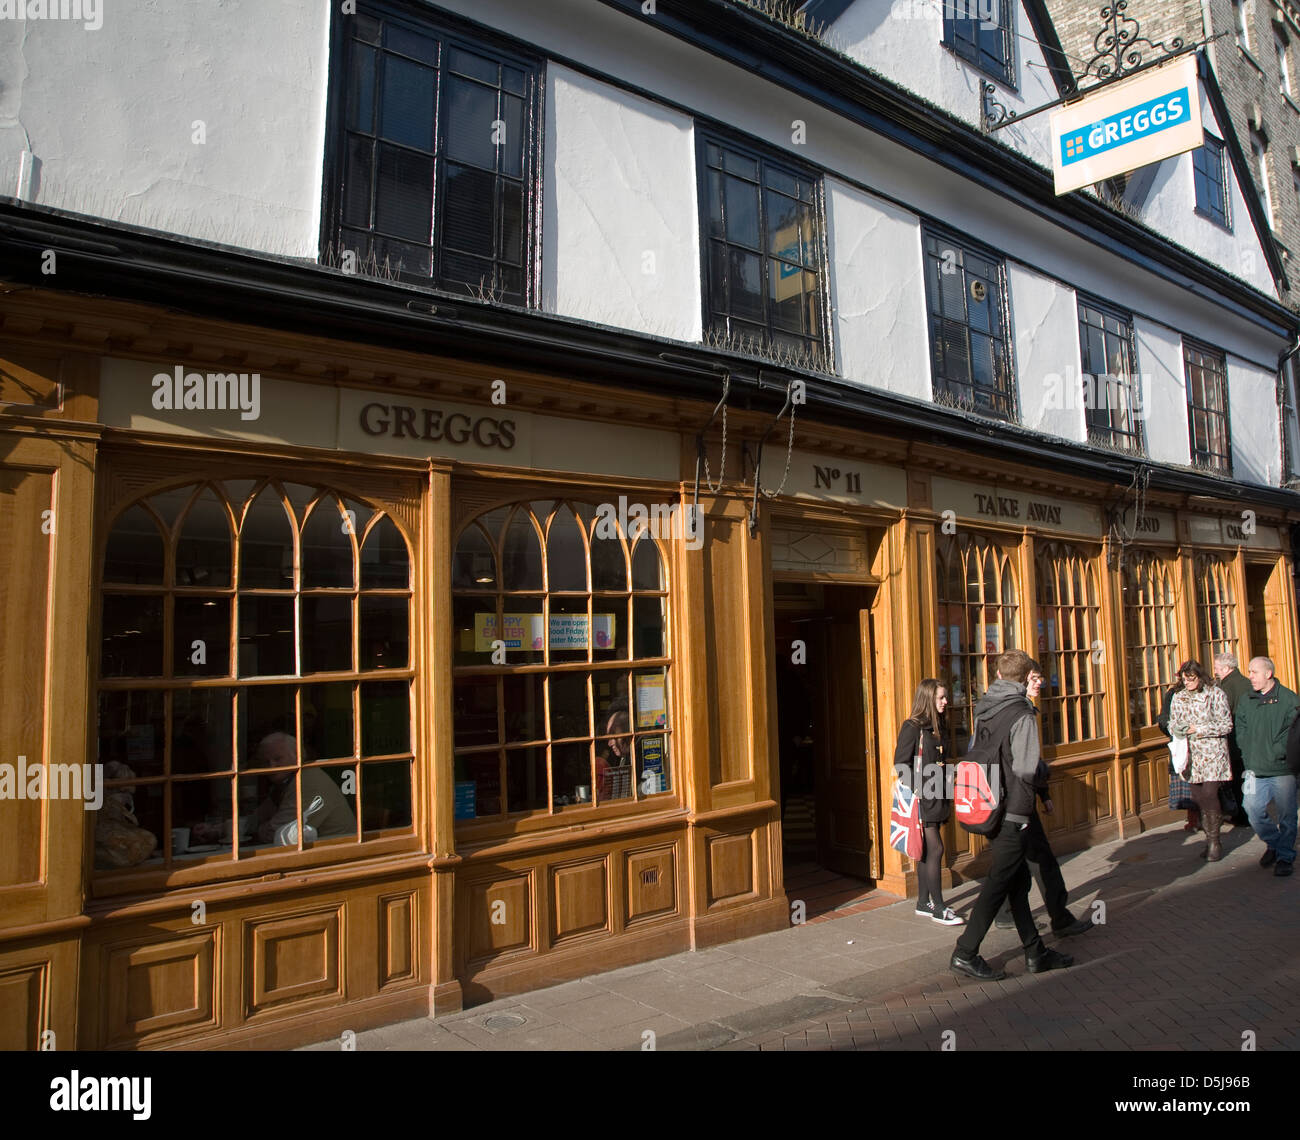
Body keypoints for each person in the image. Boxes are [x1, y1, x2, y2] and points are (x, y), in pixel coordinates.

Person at [951, 650, 1074, 981]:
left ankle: (1036, 952)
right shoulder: (1021, 712)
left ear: (998, 673)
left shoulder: (985, 707)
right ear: (1025, 677)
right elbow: (1023, 766)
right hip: (1013, 810)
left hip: (989, 802)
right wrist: (1039, 782)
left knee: (1017, 883)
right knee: (999, 882)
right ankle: (965, 951)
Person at [992, 667, 1093, 935]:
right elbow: (1023, 763)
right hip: (1016, 800)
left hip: (1010, 798)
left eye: (1040, 677)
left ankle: (1007, 914)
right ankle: (1057, 918)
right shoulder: (1019, 711)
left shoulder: (1003, 708)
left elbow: (1028, 760)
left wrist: (1043, 792)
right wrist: (1037, 792)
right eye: (1034, 678)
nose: (1040, 683)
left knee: (1016, 862)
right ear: (1020, 680)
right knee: (1038, 861)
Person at [894, 679, 961, 925]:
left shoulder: (938, 724)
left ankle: (923, 902)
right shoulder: (912, 727)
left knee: (925, 852)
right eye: (941, 698)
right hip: (924, 798)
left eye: (945, 697)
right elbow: (901, 764)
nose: (946, 702)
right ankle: (939, 908)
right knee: (936, 849)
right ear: (927, 700)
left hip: (940, 794)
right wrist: (920, 789)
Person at [1235, 657, 1300, 877]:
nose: (1250, 676)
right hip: (1253, 770)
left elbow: (1295, 733)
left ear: (1268, 674)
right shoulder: (1246, 700)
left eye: (1254, 672)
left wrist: (1281, 752)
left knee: (1287, 816)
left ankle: (1284, 857)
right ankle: (1275, 843)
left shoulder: (1289, 699)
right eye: (1249, 672)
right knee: (1251, 808)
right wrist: (1246, 750)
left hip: (1282, 770)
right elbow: (1240, 728)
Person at [1167, 660, 1233, 861]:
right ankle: (1209, 837)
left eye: (1191, 679)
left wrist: (1200, 729)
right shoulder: (1179, 697)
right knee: (1198, 797)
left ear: (1199, 676)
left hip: (1212, 753)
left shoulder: (1215, 694)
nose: (1187, 682)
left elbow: (1226, 724)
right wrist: (1175, 729)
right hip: (1190, 756)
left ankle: (1214, 842)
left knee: (1210, 793)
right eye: (1184, 679)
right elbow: (1172, 721)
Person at [251, 732, 357, 844]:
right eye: (266, 762)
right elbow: (258, 816)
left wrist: (256, 828)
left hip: (338, 852)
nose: (271, 767)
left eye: (278, 759)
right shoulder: (287, 780)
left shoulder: (308, 780)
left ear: (297, 756)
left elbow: (278, 834)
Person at [1213, 652, 1252, 826]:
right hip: (1249, 737)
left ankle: (1242, 815)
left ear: (1226, 668)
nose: (1215, 672)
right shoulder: (1246, 682)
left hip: (1235, 738)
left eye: (1217, 668)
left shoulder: (1227, 686)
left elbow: (1223, 712)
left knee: (1237, 778)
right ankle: (1250, 812)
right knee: (1248, 777)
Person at [1157, 679, 1199, 831]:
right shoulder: (1174, 694)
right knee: (1187, 782)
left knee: (1205, 787)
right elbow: (1164, 719)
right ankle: (1194, 820)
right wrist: (1175, 731)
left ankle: (1206, 819)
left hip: (1202, 746)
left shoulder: (1208, 692)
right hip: (1182, 745)